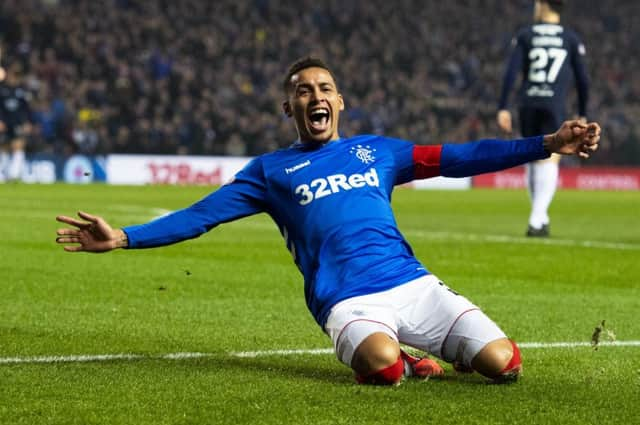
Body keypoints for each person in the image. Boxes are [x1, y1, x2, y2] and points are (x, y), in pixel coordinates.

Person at [56, 57, 600, 386]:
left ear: (340, 101)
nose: (314, 96)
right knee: (385, 369)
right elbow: (201, 216)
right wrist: (125, 237)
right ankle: (412, 362)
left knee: (505, 365)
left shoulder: (380, 152)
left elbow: (463, 156)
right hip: (346, 300)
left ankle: (447, 348)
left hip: (413, 284)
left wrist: (547, 143)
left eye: (323, 88)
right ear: (288, 109)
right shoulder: (270, 171)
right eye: (302, 91)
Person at [497, 0, 589, 237]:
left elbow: (511, 72)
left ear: (545, 5)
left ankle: (541, 217)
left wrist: (503, 107)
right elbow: (583, 79)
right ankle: (537, 219)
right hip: (552, 104)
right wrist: (583, 111)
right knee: (551, 157)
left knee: (532, 156)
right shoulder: (570, 38)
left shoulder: (526, 35)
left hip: (528, 103)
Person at [0, 63, 34, 182]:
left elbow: (27, 109)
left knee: (18, 146)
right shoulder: (2, 89)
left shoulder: (21, 91)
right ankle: (2, 173)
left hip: (17, 123)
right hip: (4, 122)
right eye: (13, 75)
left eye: (17, 75)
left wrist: (28, 122)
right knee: (3, 147)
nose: (14, 78)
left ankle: (13, 174)